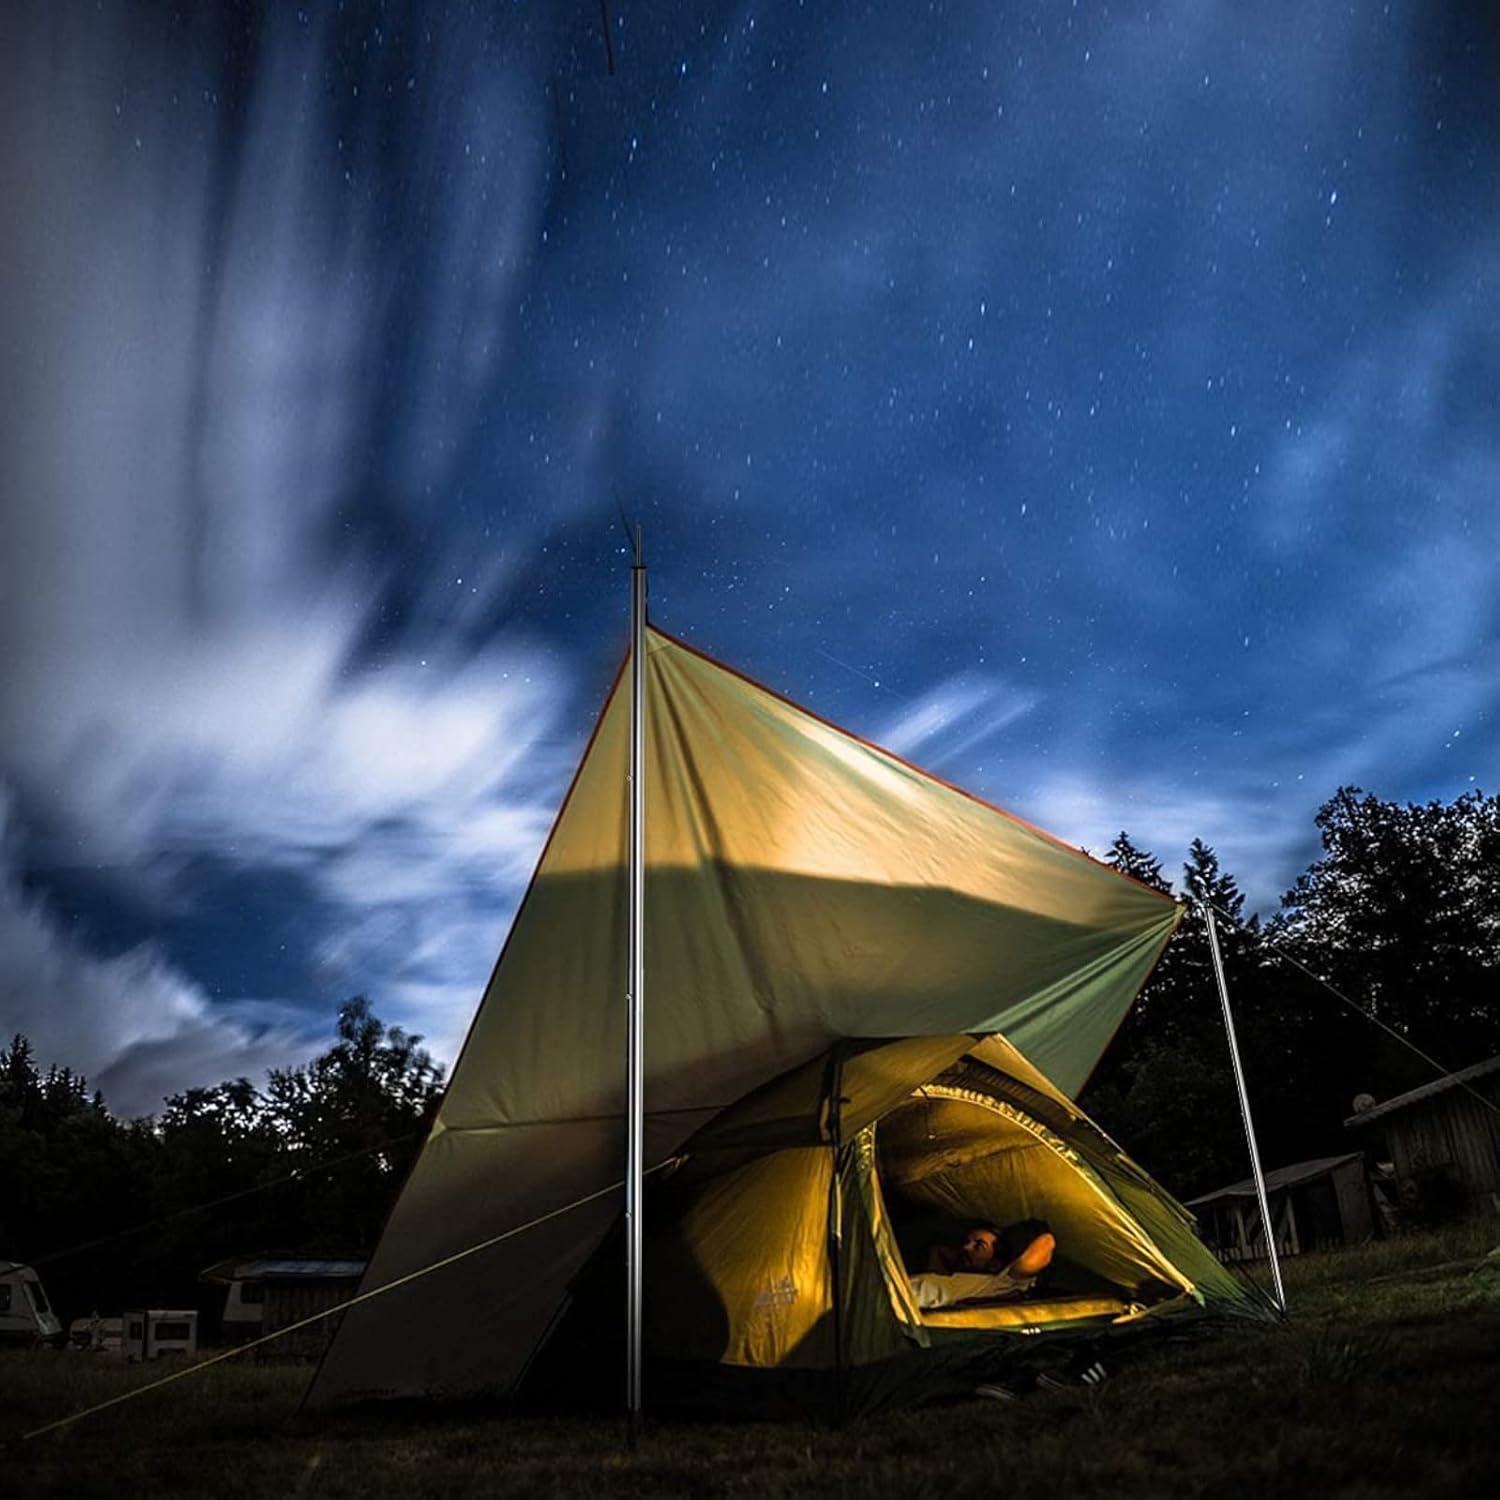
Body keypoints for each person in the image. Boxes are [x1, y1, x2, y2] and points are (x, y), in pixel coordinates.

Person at [909, 1219, 1055, 1311]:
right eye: (967, 1242)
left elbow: (1047, 1241)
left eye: (978, 1246)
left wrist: (1010, 1238)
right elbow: (938, 1250)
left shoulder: (999, 1284)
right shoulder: (952, 1277)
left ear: (995, 1265)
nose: (966, 1247)